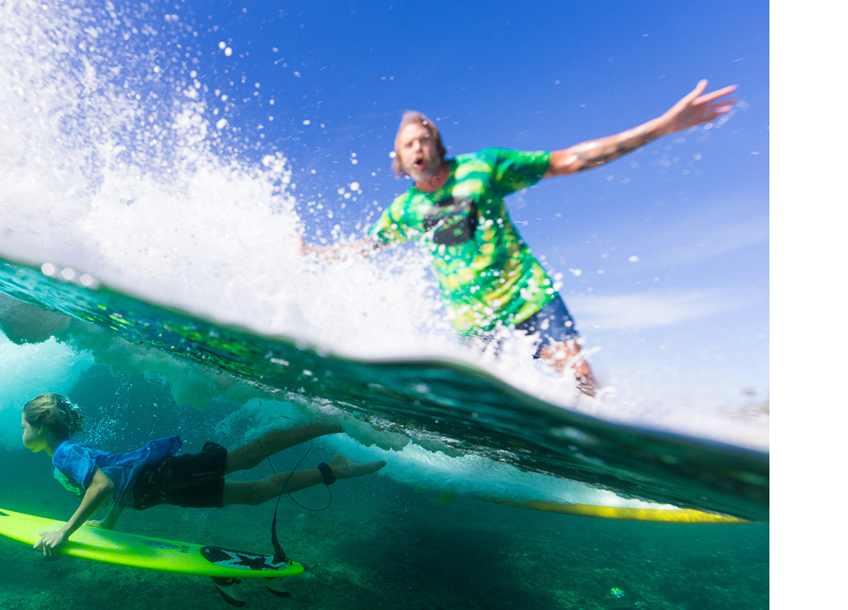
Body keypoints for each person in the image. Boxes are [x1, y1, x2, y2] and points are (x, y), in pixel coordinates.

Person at [300, 80, 738, 397]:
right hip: (471, 318)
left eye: (424, 138)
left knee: (578, 373)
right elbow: (365, 247)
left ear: (438, 145)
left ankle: (612, 440)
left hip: (528, 293)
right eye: (408, 144)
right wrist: (310, 253)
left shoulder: (485, 167)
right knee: (479, 403)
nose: (417, 148)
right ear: (398, 161)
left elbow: (567, 160)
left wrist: (660, 126)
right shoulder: (403, 211)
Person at [20, 393, 386, 558]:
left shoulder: (65, 454)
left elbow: (103, 483)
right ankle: (333, 470)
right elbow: (114, 480)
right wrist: (108, 521)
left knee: (247, 457)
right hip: (161, 491)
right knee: (256, 493)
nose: (21, 432)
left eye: (24, 425)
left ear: (42, 425)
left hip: (165, 476)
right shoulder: (67, 455)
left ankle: (332, 421)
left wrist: (65, 532)